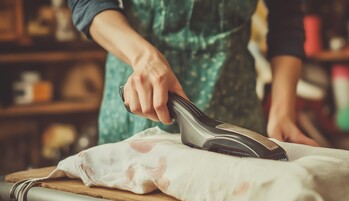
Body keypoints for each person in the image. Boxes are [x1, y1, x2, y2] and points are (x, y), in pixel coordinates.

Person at [68, 0, 318, 146]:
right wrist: (144, 57)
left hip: (234, 119)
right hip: (138, 113)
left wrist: (282, 112)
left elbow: (286, 20)